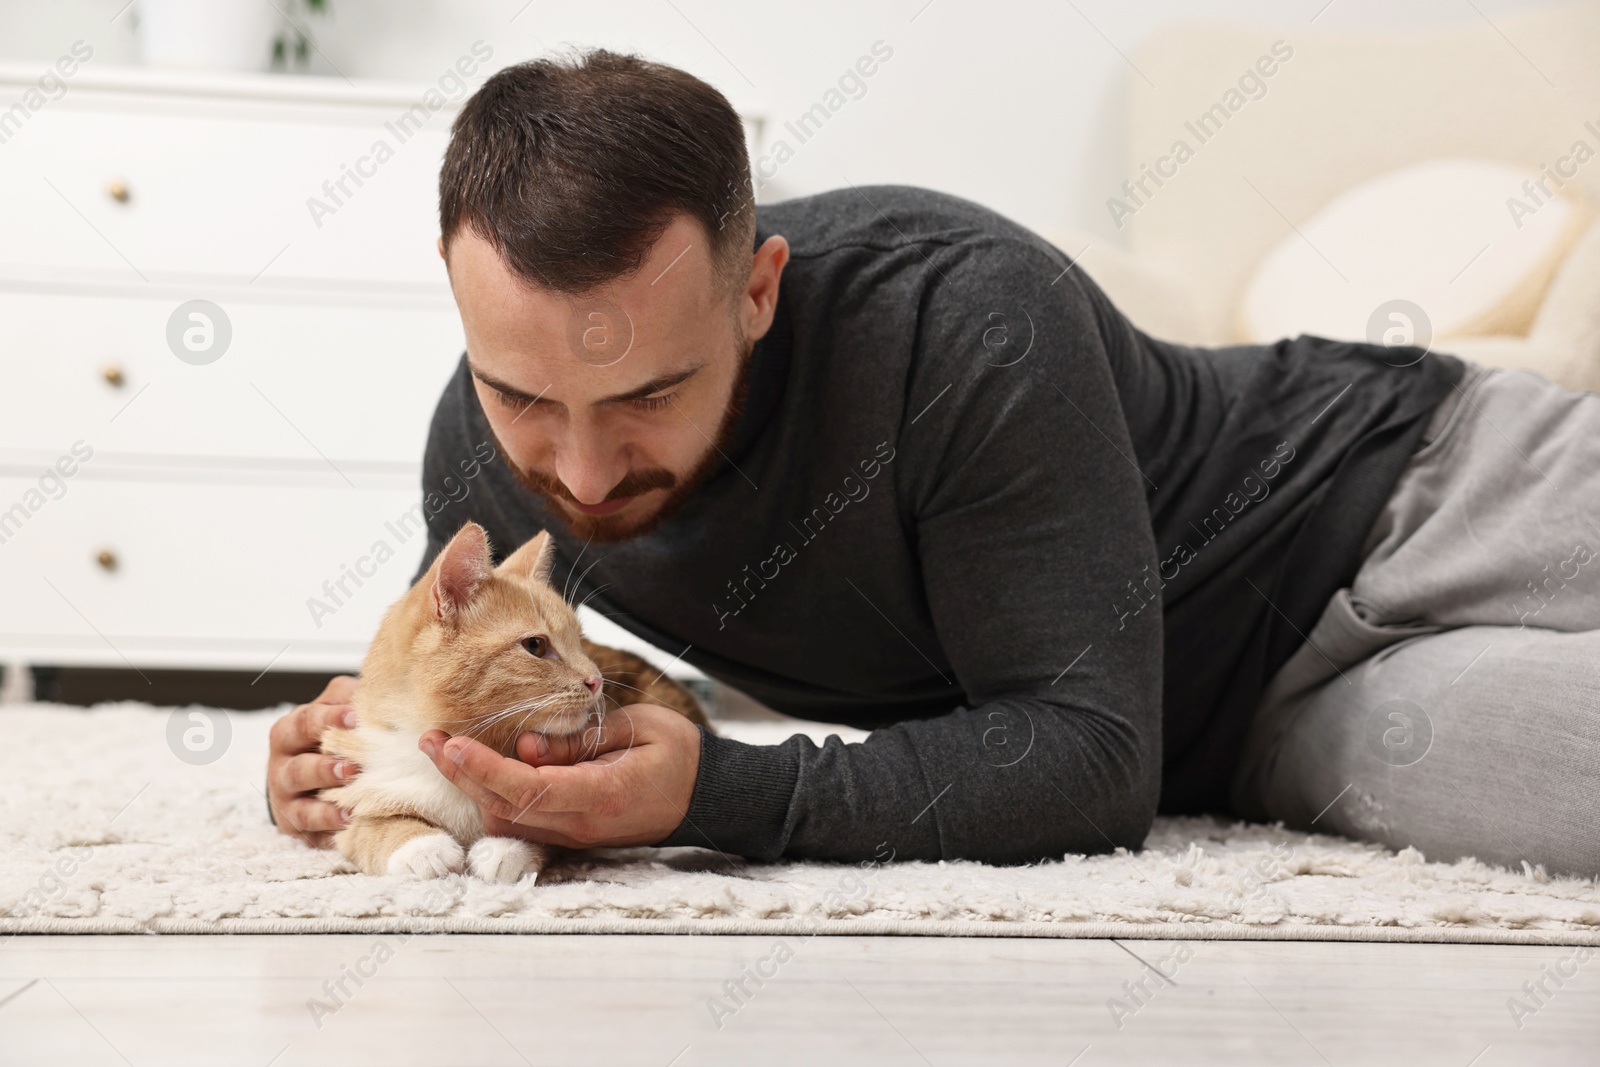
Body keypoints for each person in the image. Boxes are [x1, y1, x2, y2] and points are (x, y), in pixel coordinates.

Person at [267, 49, 1600, 877]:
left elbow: (1081, 750)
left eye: (650, 394)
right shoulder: (478, 456)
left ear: (758, 293)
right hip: (1268, 735)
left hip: (1413, 479)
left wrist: (721, 789)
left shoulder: (963, 314)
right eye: (519, 395)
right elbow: (1101, 762)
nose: (585, 469)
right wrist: (357, 770)